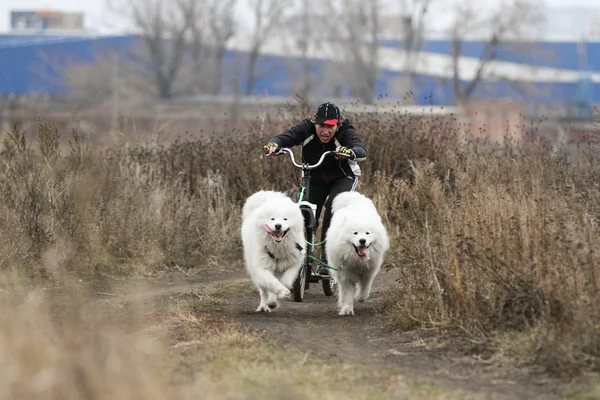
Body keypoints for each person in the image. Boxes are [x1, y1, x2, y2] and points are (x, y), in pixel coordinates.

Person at [263, 102, 368, 276]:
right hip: (314, 176)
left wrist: (349, 152)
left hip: (343, 177)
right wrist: (274, 144)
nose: (325, 131)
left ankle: (327, 259)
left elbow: (360, 149)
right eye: (321, 126)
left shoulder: (345, 132)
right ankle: (298, 257)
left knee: (333, 209)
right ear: (314, 123)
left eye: (330, 127)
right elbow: (285, 138)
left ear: (337, 124)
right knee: (303, 214)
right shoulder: (306, 129)